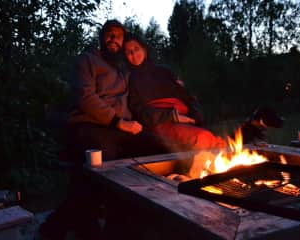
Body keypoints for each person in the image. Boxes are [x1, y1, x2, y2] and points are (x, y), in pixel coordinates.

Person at [39, 19, 168, 240]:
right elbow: (85, 97)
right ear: (101, 37)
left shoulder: (124, 70)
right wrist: (118, 122)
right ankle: (91, 228)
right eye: (109, 34)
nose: (113, 39)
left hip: (122, 130)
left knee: (159, 149)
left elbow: (144, 83)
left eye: (118, 36)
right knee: (105, 168)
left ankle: (147, 220)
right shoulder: (87, 60)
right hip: (90, 125)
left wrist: (173, 86)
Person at [123, 33, 226, 151]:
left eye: (136, 49)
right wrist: (172, 116)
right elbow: (140, 112)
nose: (134, 54)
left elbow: (186, 96)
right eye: (129, 52)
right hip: (161, 122)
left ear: (144, 49)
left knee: (219, 139)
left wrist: (195, 114)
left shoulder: (164, 72)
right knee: (202, 138)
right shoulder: (131, 79)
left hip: (185, 117)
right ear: (125, 56)